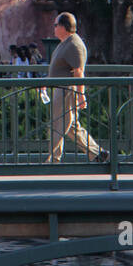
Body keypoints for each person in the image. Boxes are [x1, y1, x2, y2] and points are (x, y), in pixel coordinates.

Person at [46, 12, 108, 166]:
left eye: (55, 25)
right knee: (71, 126)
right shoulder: (65, 43)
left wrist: (81, 95)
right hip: (60, 88)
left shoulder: (74, 44)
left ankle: (53, 160)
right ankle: (97, 153)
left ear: (64, 27)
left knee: (58, 124)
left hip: (66, 90)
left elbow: (79, 71)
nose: (53, 28)